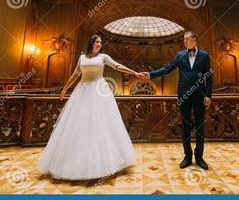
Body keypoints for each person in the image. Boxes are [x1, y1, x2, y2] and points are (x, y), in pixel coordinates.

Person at [37, 35, 140, 180]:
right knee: (79, 124)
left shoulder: (104, 57)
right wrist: (65, 89)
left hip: (99, 91)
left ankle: (105, 161)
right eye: (97, 42)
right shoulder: (82, 58)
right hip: (82, 91)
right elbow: (75, 75)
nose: (99, 44)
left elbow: (117, 66)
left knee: (100, 124)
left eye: (100, 42)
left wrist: (134, 73)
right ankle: (73, 162)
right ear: (91, 43)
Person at [141, 31, 212, 170]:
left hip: (199, 95)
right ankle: (187, 156)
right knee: (185, 127)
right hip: (183, 95)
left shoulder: (204, 55)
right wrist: (150, 75)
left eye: (187, 39)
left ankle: (199, 157)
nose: (185, 41)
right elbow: (167, 68)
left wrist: (208, 95)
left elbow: (208, 76)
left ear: (195, 39)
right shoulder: (180, 55)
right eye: (184, 39)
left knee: (200, 127)